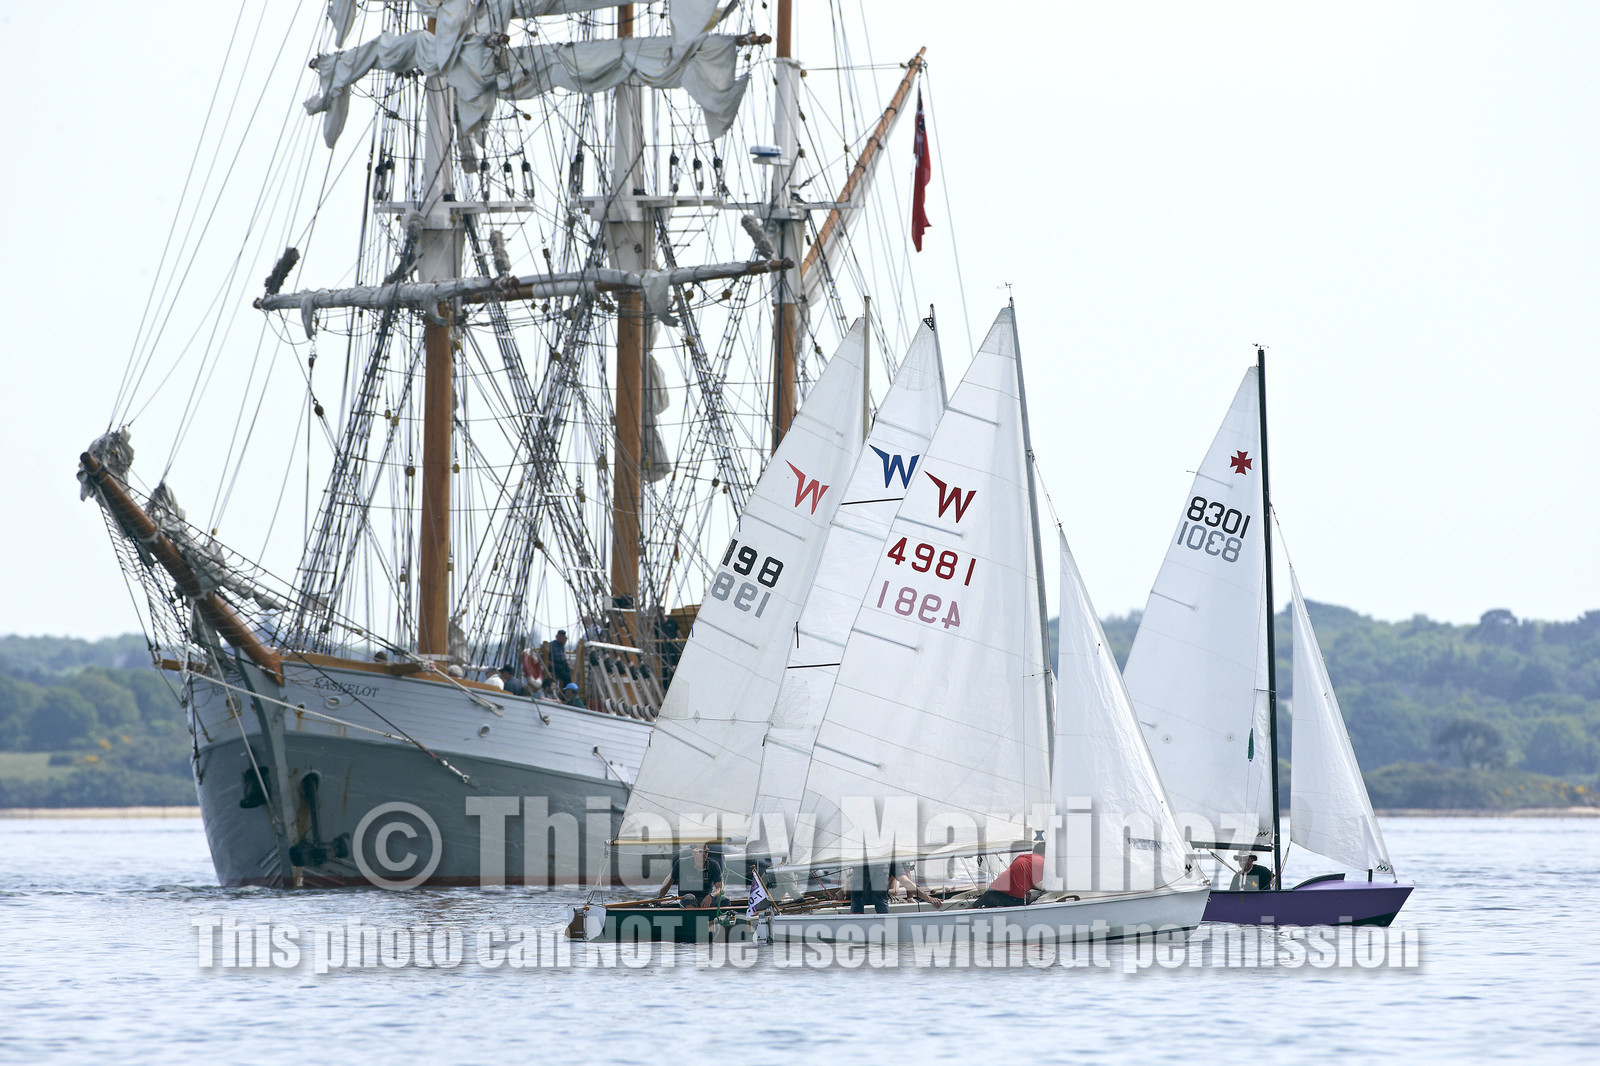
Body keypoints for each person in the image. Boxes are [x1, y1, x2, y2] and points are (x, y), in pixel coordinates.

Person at [848, 861, 941, 913]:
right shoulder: (860, 857)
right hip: (863, 905)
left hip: (878, 905)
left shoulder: (891, 859)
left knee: (877, 900)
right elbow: (907, 882)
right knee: (859, 899)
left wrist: (928, 898)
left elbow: (907, 882)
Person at [971, 843, 1045, 909]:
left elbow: (1022, 879)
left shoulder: (1022, 858)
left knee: (974, 907)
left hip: (993, 893)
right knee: (1033, 897)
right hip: (1016, 899)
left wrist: (1042, 887)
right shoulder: (1045, 863)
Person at [660, 843, 724, 907]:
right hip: (687, 899)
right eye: (700, 851)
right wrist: (660, 898)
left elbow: (721, 889)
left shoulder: (714, 865)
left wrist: (711, 895)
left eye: (706, 851)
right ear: (693, 852)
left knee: (724, 899)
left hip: (705, 899)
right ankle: (692, 915)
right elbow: (669, 881)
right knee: (689, 897)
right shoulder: (681, 863)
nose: (704, 854)